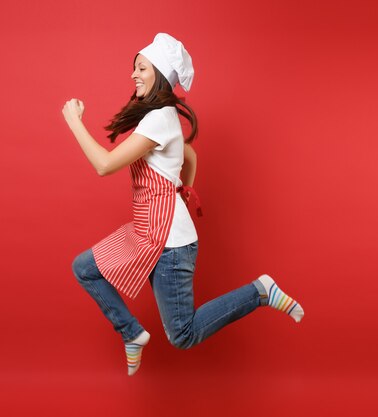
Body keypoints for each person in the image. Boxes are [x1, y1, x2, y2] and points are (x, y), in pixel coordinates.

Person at [62, 33, 304, 376]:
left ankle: (260, 291)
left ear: (159, 73)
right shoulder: (161, 117)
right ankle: (131, 333)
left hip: (170, 245)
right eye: (134, 68)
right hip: (149, 233)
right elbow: (189, 154)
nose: (133, 74)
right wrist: (182, 190)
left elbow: (104, 165)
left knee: (182, 335)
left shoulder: (161, 117)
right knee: (84, 268)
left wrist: (73, 121)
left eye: (141, 68)